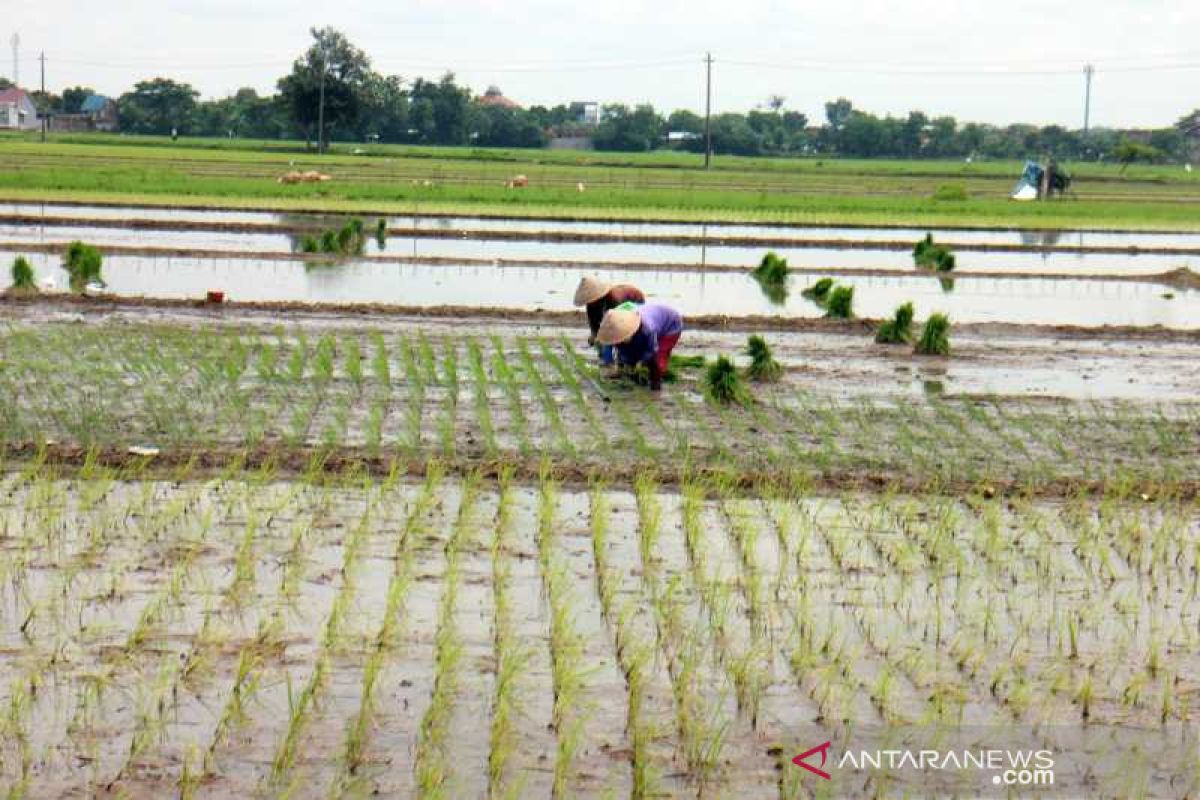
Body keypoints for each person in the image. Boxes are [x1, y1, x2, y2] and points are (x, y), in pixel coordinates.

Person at [596, 302, 683, 391]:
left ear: (631, 332)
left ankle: (658, 379)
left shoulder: (647, 329)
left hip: (671, 325)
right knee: (630, 354)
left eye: (623, 337)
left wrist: (642, 362)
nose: (620, 340)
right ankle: (632, 373)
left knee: (658, 358)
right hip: (653, 318)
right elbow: (619, 349)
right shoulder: (618, 326)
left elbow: (651, 351)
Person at [573, 276, 645, 365]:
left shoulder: (613, 298)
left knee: (625, 332)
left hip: (635, 300)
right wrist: (594, 335)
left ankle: (627, 358)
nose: (591, 303)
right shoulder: (591, 304)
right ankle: (605, 357)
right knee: (601, 337)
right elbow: (594, 322)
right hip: (618, 305)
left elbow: (616, 322)